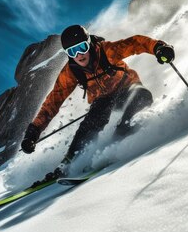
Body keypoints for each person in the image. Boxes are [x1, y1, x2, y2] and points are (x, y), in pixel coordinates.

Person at [20, 24, 175, 184]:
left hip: (127, 88)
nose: (79, 55)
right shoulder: (71, 71)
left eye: (82, 47)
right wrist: (33, 132)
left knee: (142, 97)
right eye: (72, 52)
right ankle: (68, 163)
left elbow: (135, 43)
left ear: (89, 43)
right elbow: (53, 101)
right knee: (91, 122)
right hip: (102, 99)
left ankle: (119, 140)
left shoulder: (106, 51)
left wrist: (159, 48)